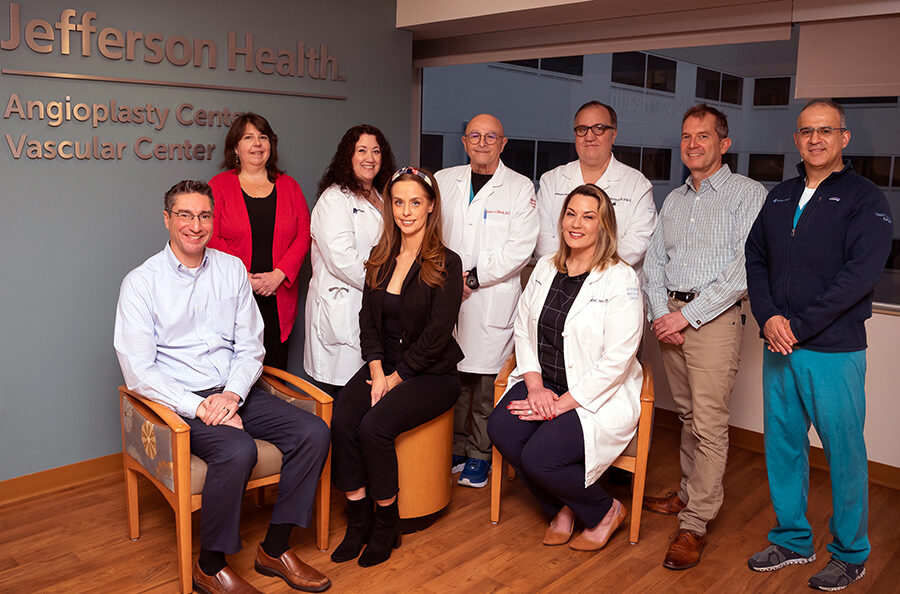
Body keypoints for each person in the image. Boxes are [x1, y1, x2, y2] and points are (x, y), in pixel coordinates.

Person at [114, 180, 331, 594]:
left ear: (214, 220)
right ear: (167, 219)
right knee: (237, 449)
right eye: (185, 215)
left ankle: (275, 548)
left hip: (236, 390)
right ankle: (210, 566)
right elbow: (139, 370)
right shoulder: (141, 283)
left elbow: (251, 344)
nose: (195, 225)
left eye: (204, 215)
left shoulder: (231, 269)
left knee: (314, 432)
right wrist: (201, 408)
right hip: (180, 403)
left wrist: (231, 396)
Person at [745, 99, 892, 591]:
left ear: (844, 138)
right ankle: (792, 539)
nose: (816, 139)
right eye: (807, 131)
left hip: (833, 350)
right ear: (796, 139)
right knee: (783, 448)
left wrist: (798, 325)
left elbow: (859, 276)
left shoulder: (865, 198)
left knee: (843, 451)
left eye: (826, 130)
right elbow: (755, 257)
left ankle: (851, 553)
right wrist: (767, 317)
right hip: (778, 346)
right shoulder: (780, 196)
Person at [641, 104, 765, 570]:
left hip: (711, 319)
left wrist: (686, 316)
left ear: (724, 144)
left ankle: (694, 524)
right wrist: (660, 313)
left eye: (704, 136)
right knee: (689, 415)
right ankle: (689, 494)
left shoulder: (746, 194)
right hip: (670, 318)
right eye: (687, 136)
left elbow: (744, 270)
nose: (693, 144)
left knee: (709, 424)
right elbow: (654, 263)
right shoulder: (674, 200)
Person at [487, 183, 644, 551]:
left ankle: (604, 510)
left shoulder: (620, 278)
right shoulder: (545, 267)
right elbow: (524, 329)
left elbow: (618, 360)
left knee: (540, 457)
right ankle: (562, 505)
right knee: (502, 429)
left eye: (589, 216)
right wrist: (537, 387)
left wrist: (562, 404)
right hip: (545, 381)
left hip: (592, 393)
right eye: (571, 214)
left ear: (603, 226)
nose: (577, 224)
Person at [329, 167, 464, 567]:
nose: (406, 211)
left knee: (375, 427)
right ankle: (358, 519)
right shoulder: (380, 256)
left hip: (432, 372)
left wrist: (395, 378)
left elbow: (437, 337)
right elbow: (367, 322)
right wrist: (375, 371)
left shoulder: (447, 263)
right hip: (382, 363)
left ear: (431, 207)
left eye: (415, 203)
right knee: (343, 418)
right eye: (399, 202)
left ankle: (386, 520)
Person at [435, 113, 538, 488]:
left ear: (503, 143)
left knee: (484, 385)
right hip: (447, 294)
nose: (482, 142)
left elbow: (521, 249)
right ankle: (457, 448)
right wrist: (448, 279)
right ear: (464, 142)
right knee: (453, 379)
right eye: (474, 136)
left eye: (490, 136)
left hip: (491, 296)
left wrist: (474, 277)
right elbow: (429, 232)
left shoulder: (519, 187)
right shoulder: (444, 181)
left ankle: (480, 454)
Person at [209, 112, 311, 370]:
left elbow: (303, 234)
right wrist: (246, 277)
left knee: (276, 373)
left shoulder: (290, 186)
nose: (257, 144)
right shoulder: (218, 186)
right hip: (236, 292)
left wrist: (279, 275)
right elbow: (211, 236)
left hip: (278, 295)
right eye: (248, 138)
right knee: (235, 373)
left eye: (262, 137)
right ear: (235, 147)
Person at [304, 124, 397, 393]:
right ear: (348, 156)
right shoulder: (334, 199)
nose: (370, 158)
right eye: (362, 150)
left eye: (376, 151)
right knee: (339, 395)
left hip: (373, 305)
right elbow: (342, 259)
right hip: (343, 305)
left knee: (367, 391)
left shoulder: (382, 196)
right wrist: (389, 285)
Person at [535, 101, 657, 277]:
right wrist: (570, 267)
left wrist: (590, 267)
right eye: (582, 129)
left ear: (613, 135)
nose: (589, 136)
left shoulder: (637, 184)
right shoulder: (551, 180)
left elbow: (640, 240)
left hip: (613, 283)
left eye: (599, 128)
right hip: (559, 277)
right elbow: (541, 236)